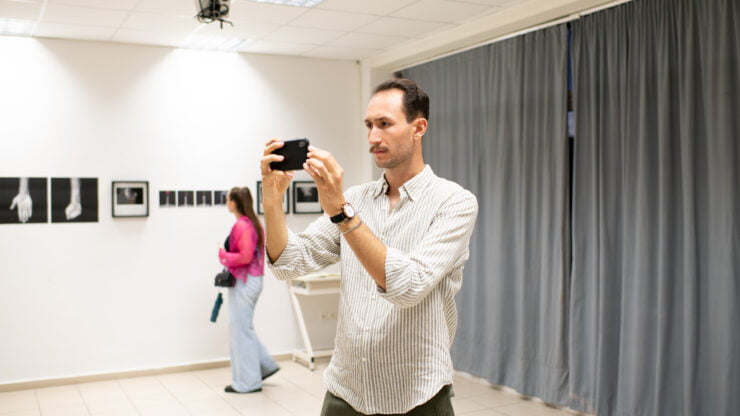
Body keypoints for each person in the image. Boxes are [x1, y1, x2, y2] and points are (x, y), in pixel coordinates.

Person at [260, 78, 479, 415]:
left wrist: (341, 212)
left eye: (385, 124)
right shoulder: (356, 199)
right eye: (369, 125)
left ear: (418, 128)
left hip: (416, 395)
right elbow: (289, 262)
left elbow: (408, 286)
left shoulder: (454, 202)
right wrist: (272, 201)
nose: (373, 137)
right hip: (346, 391)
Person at [218, 187, 280, 393]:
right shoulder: (252, 224)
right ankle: (265, 366)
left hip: (245, 281)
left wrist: (223, 255)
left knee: (240, 330)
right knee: (243, 328)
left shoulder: (243, 225)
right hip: (250, 280)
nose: (226, 202)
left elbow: (244, 257)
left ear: (234, 203)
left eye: (228, 199)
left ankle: (248, 383)